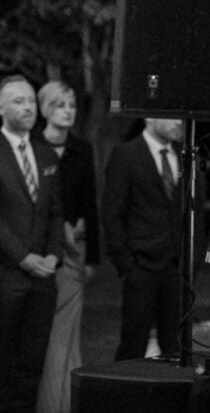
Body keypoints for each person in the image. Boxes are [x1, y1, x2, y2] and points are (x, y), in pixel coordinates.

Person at [33, 81, 99, 413]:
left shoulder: (81, 149)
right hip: (40, 251)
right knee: (42, 333)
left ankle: (64, 402)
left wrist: (93, 259)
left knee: (68, 333)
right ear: (46, 109)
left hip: (75, 254)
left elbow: (90, 204)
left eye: (72, 105)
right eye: (61, 105)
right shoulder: (30, 145)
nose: (69, 111)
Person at [0, 74, 64, 412]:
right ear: (1, 108)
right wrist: (22, 256)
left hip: (43, 279)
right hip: (6, 275)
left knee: (32, 363)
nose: (28, 107)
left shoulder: (46, 155)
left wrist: (54, 254)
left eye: (30, 101)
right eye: (18, 101)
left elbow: (55, 212)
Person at [102, 117, 184, 360]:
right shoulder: (126, 154)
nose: (179, 122)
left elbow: (196, 210)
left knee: (176, 346)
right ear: (150, 117)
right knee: (134, 342)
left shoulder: (186, 156)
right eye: (171, 116)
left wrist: (193, 258)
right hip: (140, 265)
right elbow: (112, 212)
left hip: (177, 267)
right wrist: (126, 264)